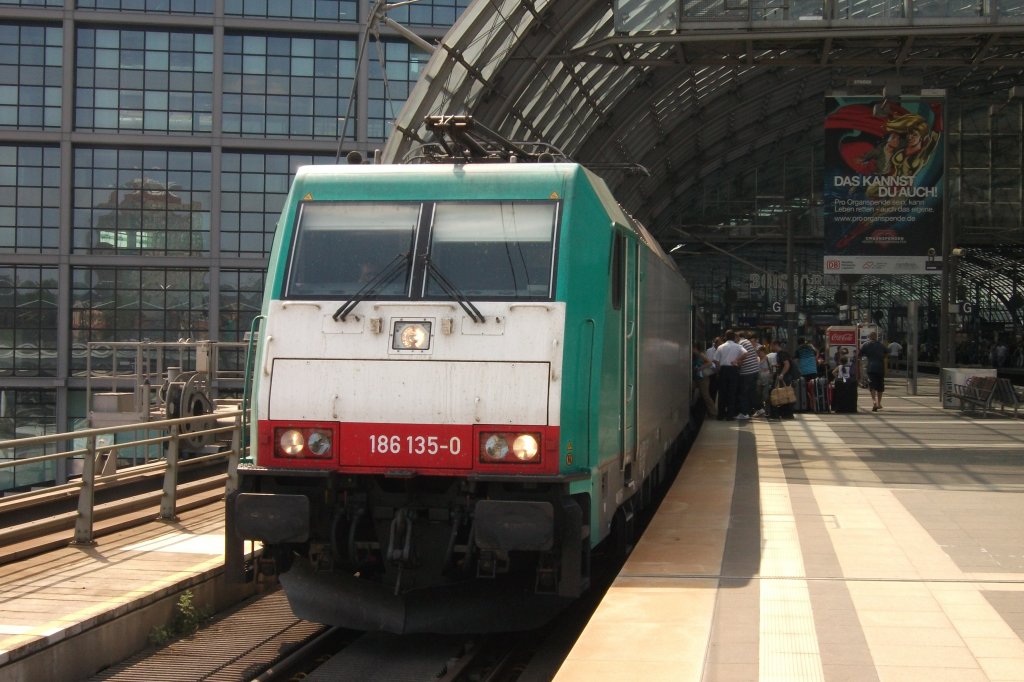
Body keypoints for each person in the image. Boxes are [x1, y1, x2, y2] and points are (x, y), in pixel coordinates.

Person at [715, 330, 748, 421]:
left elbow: (716, 360)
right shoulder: (738, 346)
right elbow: (746, 353)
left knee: (722, 393)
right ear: (734, 337)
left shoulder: (720, 347)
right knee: (732, 392)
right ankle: (730, 415)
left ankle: (721, 415)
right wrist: (737, 360)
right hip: (733, 370)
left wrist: (719, 370)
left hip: (723, 370)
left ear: (725, 337)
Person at [859, 331, 889, 411]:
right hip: (880, 368)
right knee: (880, 386)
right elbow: (886, 355)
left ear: (869, 337)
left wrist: (860, 366)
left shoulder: (865, 345)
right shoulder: (881, 345)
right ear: (876, 337)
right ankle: (879, 403)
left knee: (872, 386)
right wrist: (886, 368)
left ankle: (874, 402)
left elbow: (859, 355)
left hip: (871, 368)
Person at [735, 332, 760, 421]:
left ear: (737, 337)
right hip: (754, 370)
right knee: (752, 392)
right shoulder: (747, 342)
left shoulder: (741, 344)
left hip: (747, 372)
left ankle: (744, 413)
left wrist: (736, 361)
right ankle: (760, 409)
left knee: (743, 393)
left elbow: (744, 355)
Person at [769, 340, 795, 420]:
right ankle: (786, 413)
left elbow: (787, 364)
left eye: (772, 345)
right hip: (785, 376)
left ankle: (777, 414)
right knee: (784, 394)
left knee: (779, 393)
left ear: (775, 345)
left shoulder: (782, 353)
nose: (771, 347)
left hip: (784, 377)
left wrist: (782, 374)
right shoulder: (781, 353)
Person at [693, 344, 716, 418]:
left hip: (703, 378)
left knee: (705, 395)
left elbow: (709, 362)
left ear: (696, 348)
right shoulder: (695, 356)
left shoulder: (701, 355)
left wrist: (700, 368)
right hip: (697, 378)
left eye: (692, 348)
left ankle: (713, 412)